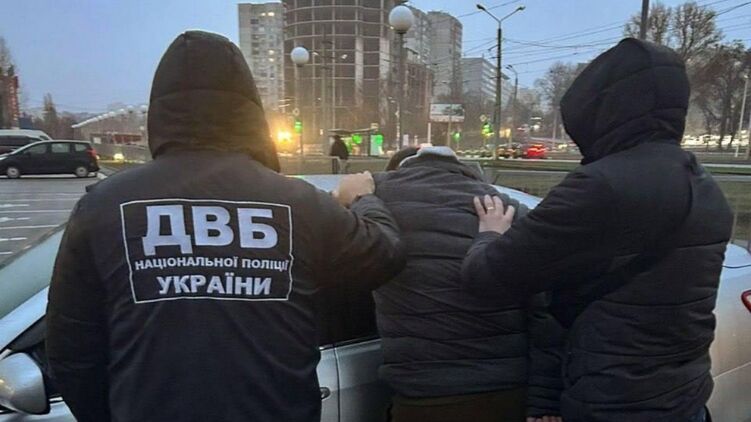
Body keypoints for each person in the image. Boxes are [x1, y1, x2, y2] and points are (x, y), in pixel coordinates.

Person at [46, 31, 405, 422]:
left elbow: (71, 351)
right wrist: (363, 197)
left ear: (159, 112)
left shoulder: (104, 206)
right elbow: (384, 254)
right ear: (249, 112)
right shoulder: (298, 203)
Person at [462, 38, 733, 422]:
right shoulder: (704, 185)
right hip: (683, 397)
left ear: (602, 107)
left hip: (614, 403)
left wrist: (491, 232)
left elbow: (487, 277)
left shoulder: (602, 186)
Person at [373, 142, 563, 422]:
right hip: (505, 394)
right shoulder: (507, 210)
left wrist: (361, 198)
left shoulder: (375, 207)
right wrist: (545, 401)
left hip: (420, 396)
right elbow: (545, 317)